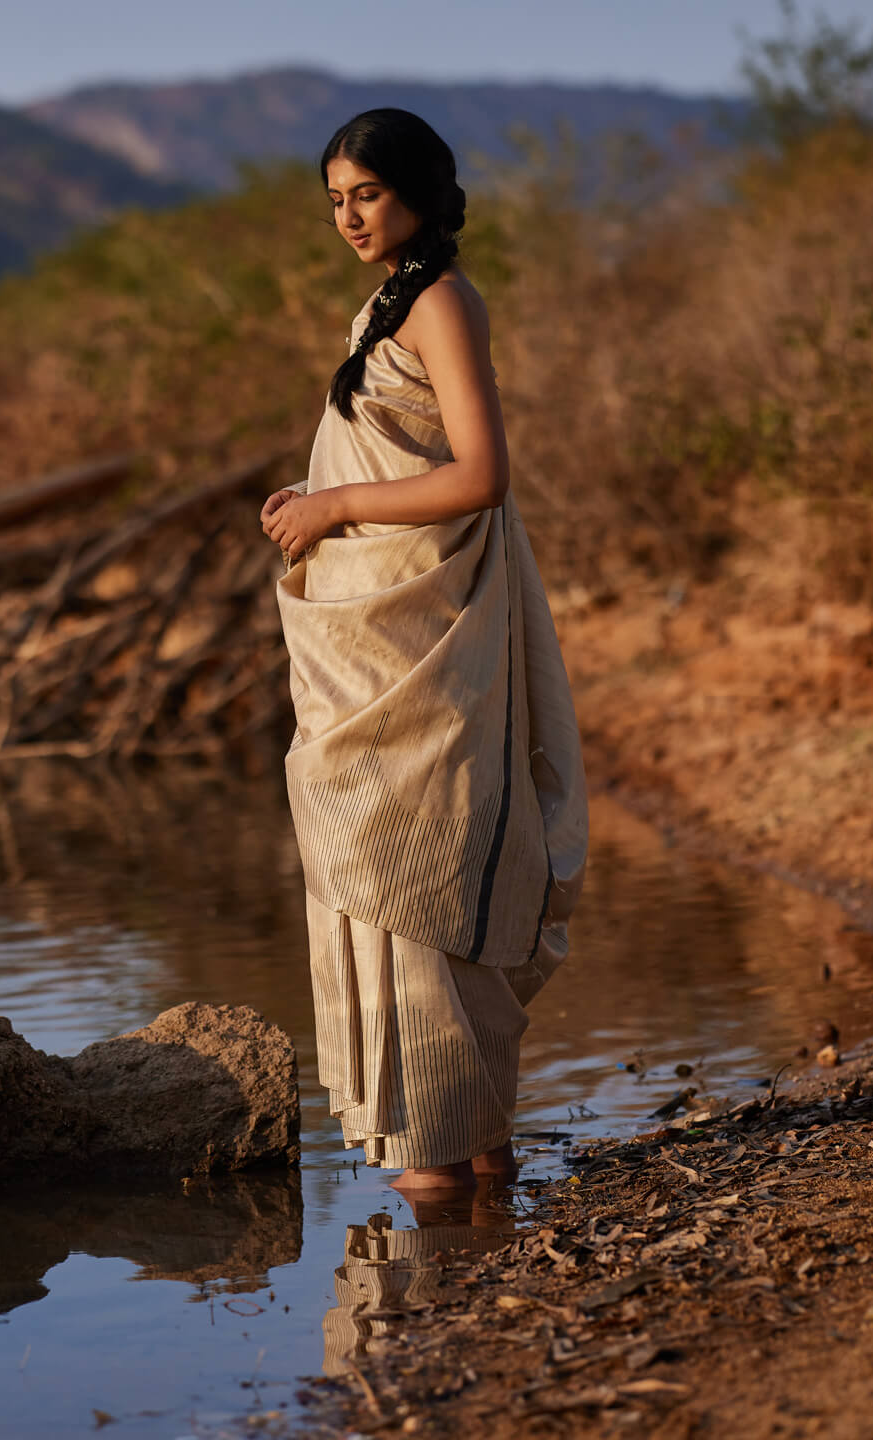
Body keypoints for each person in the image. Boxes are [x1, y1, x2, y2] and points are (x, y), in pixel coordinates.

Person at [260, 108, 587, 1194]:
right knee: (395, 853)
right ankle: (472, 1164)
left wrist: (341, 499)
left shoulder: (442, 302)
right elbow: (401, 453)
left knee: (421, 853)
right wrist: (318, 502)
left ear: (418, 191)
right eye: (336, 201)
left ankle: (443, 1175)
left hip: (424, 641)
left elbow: (481, 475)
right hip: (377, 631)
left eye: (367, 194)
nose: (350, 217)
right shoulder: (383, 308)